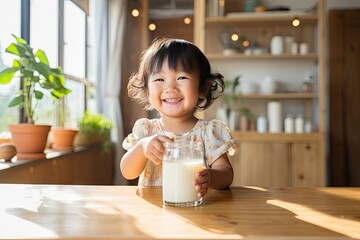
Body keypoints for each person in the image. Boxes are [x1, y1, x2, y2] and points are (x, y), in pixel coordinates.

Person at [121, 38, 237, 198]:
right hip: (153, 214)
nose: (170, 88)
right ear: (147, 91)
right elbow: (127, 172)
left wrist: (211, 176)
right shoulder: (147, 131)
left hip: (195, 211)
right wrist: (142, 148)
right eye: (159, 79)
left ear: (202, 88)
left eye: (181, 78)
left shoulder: (208, 132)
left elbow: (226, 174)